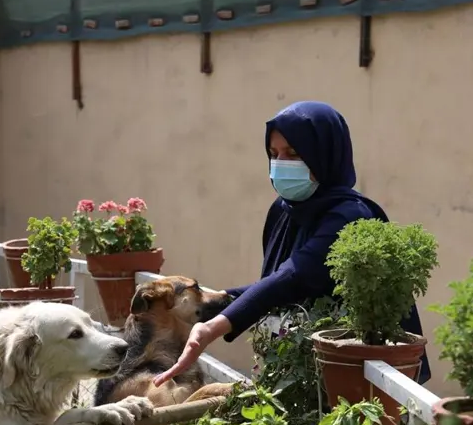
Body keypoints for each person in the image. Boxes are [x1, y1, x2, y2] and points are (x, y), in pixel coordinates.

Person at [153, 100, 431, 388]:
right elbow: (277, 282)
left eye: (294, 153)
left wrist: (214, 326)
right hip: (295, 369)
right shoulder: (283, 211)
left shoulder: (351, 217)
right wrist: (222, 298)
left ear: (324, 154)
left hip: (350, 374)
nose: (281, 164)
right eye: (274, 154)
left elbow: (295, 276)